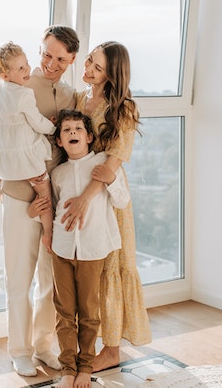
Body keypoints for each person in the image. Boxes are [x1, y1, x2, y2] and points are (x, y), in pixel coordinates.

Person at [0, 25, 79, 377]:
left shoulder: (69, 95)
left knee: (50, 282)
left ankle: (43, 345)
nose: (51, 63)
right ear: (39, 51)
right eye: (46, 54)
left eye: (60, 59)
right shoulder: (15, 87)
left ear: (71, 60)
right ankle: (18, 350)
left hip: (54, 201)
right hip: (21, 198)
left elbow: (71, 144)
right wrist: (23, 183)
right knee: (18, 280)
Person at [62, 41, 152, 371]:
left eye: (96, 67)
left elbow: (112, 163)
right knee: (88, 270)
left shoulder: (123, 108)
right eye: (88, 61)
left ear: (111, 74)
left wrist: (86, 198)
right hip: (79, 189)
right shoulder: (78, 98)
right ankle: (88, 345)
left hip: (107, 195)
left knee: (112, 267)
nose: (87, 69)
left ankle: (111, 349)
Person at [50, 110, 130, 388]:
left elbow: (121, 201)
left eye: (77, 129)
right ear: (59, 141)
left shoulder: (101, 163)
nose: (72, 133)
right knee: (63, 312)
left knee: (88, 312)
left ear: (89, 137)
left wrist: (110, 178)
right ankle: (67, 369)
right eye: (66, 130)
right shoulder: (57, 173)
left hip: (93, 250)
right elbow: (56, 204)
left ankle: (85, 366)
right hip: (61, 248)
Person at [0, 41, 55, 250]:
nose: (27, 70)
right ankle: (49, 234)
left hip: (2, 147)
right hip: (24, 151)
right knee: (44, 188)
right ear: (5, 75)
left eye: (26, 64)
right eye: (20, 68)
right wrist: (53, 127)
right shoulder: (25, 95)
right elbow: (36, 122)